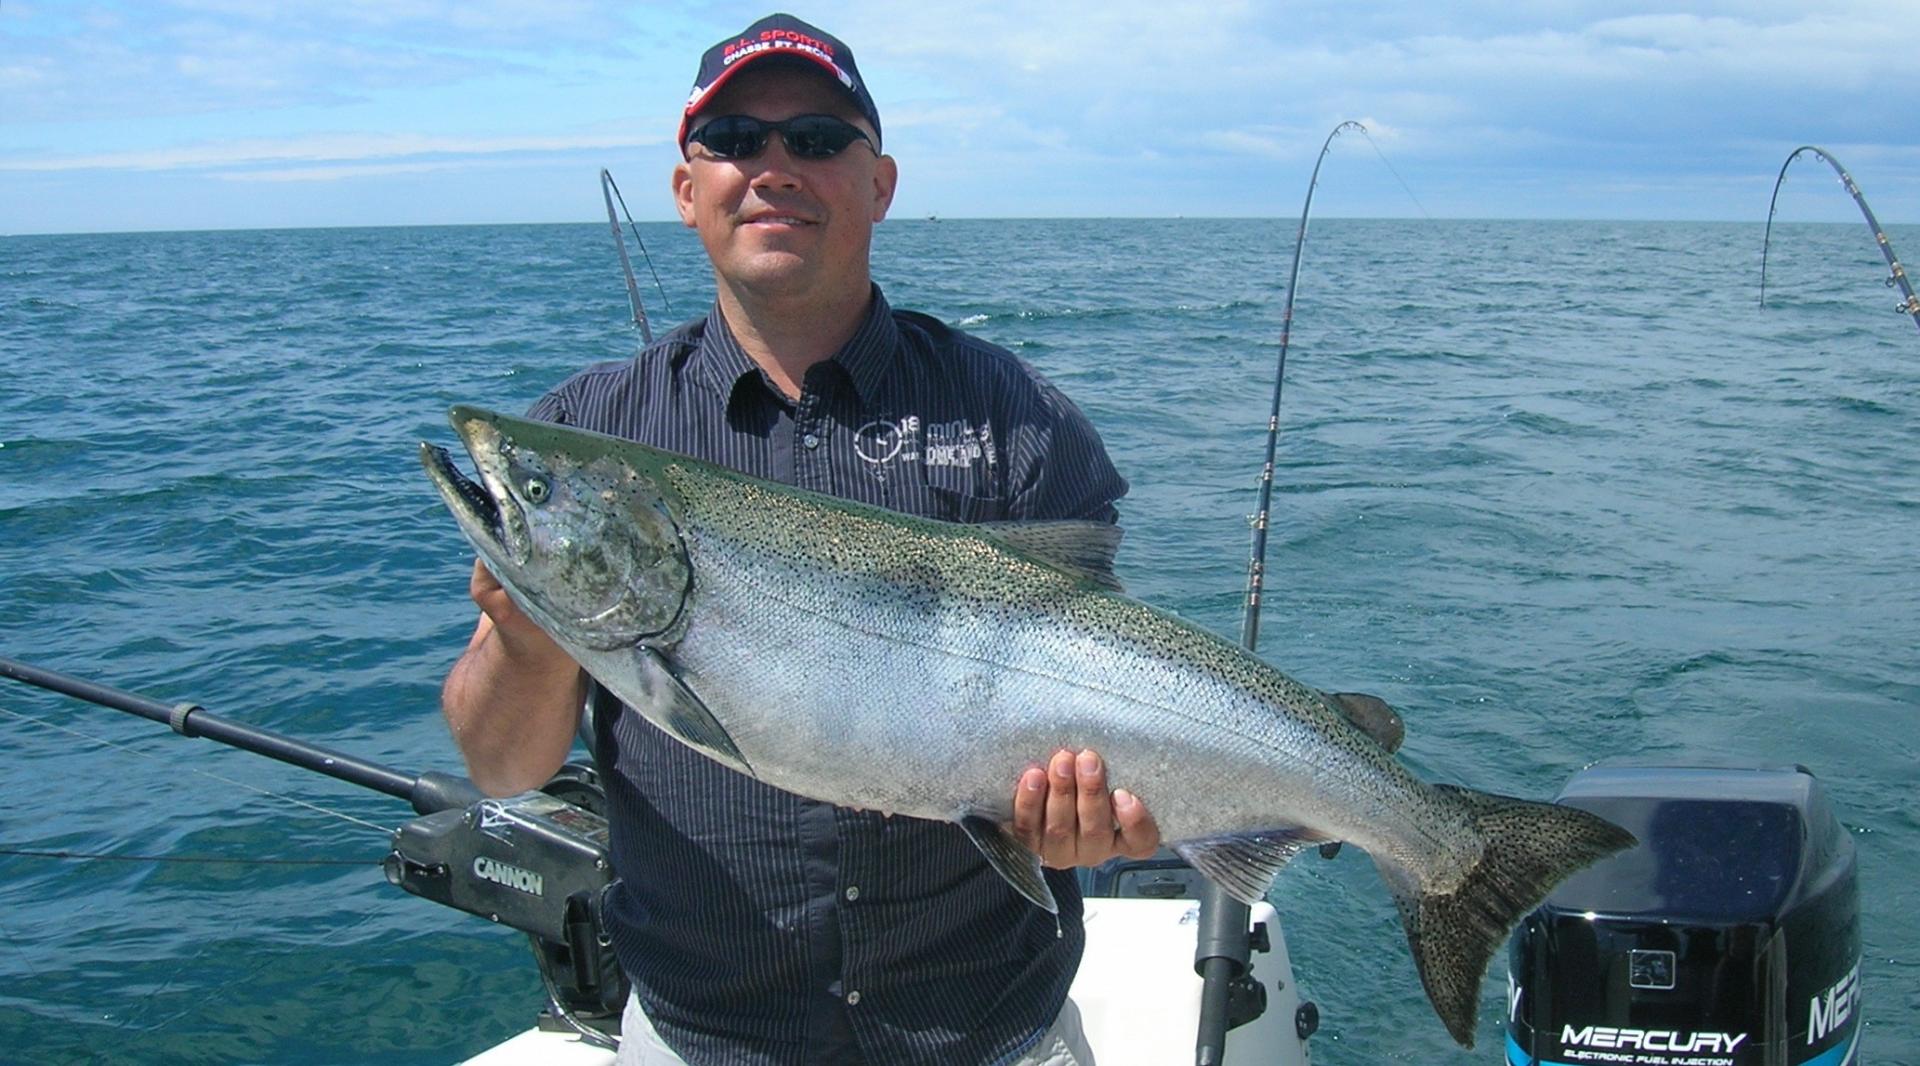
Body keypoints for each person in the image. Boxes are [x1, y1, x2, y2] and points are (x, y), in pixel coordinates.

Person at [441, 14, 1158, 1065]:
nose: (774, 168)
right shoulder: (596, 434)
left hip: (991, 1031)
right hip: (704, 1038)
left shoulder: (1013, 415)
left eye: (819, 140)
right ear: (688, 192)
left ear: (881, 183)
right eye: (733, 138)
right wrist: (531, 632)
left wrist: (1091, 815)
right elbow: (502, 766)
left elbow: (1100, 670)